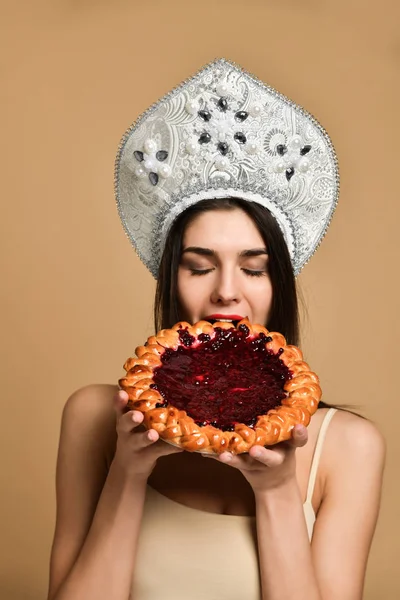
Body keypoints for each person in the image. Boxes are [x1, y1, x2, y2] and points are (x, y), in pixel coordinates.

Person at [47, 59, 386, 600]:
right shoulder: (93, 418)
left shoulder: (346, 448)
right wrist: (128, 475)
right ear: (170, 279)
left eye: (254, 269)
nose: (228, 291)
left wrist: (277, 491)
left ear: (280, 282)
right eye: (200, 266)